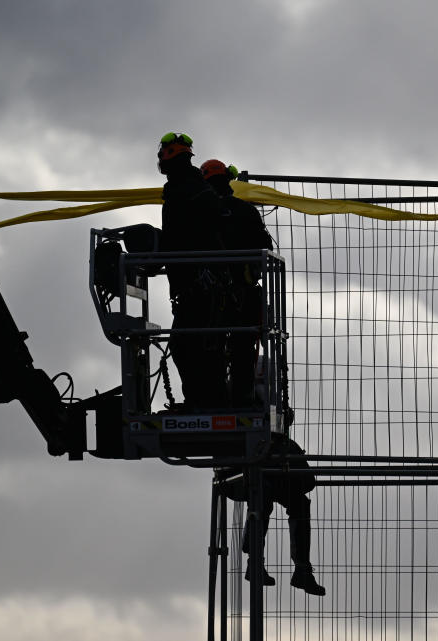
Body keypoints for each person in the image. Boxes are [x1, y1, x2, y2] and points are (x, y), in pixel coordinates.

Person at [158, 133, 230, 409]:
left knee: (189, 346)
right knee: (201, 346)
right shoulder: (190, 187)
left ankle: (203, 403)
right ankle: (208, 401)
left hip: (199, 282)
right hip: (199, 281)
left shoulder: (186, 188)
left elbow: (183, 232)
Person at [200, 159, 274, 407]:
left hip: (210, 295)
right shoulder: (246, 210)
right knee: (243, 348)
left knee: (210, 346)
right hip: (243, 291)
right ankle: (242, 397)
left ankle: (214, 398)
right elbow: (266, 245)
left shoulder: (202, 212)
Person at [222, 433, 326, 596]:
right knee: (261, 496)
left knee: (299, 503)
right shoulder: (245, 440)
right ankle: (255, 562)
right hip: (240, 476)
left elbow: (308, 481)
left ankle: (302, 570)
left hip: (269, 478)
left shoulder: (284, 444)